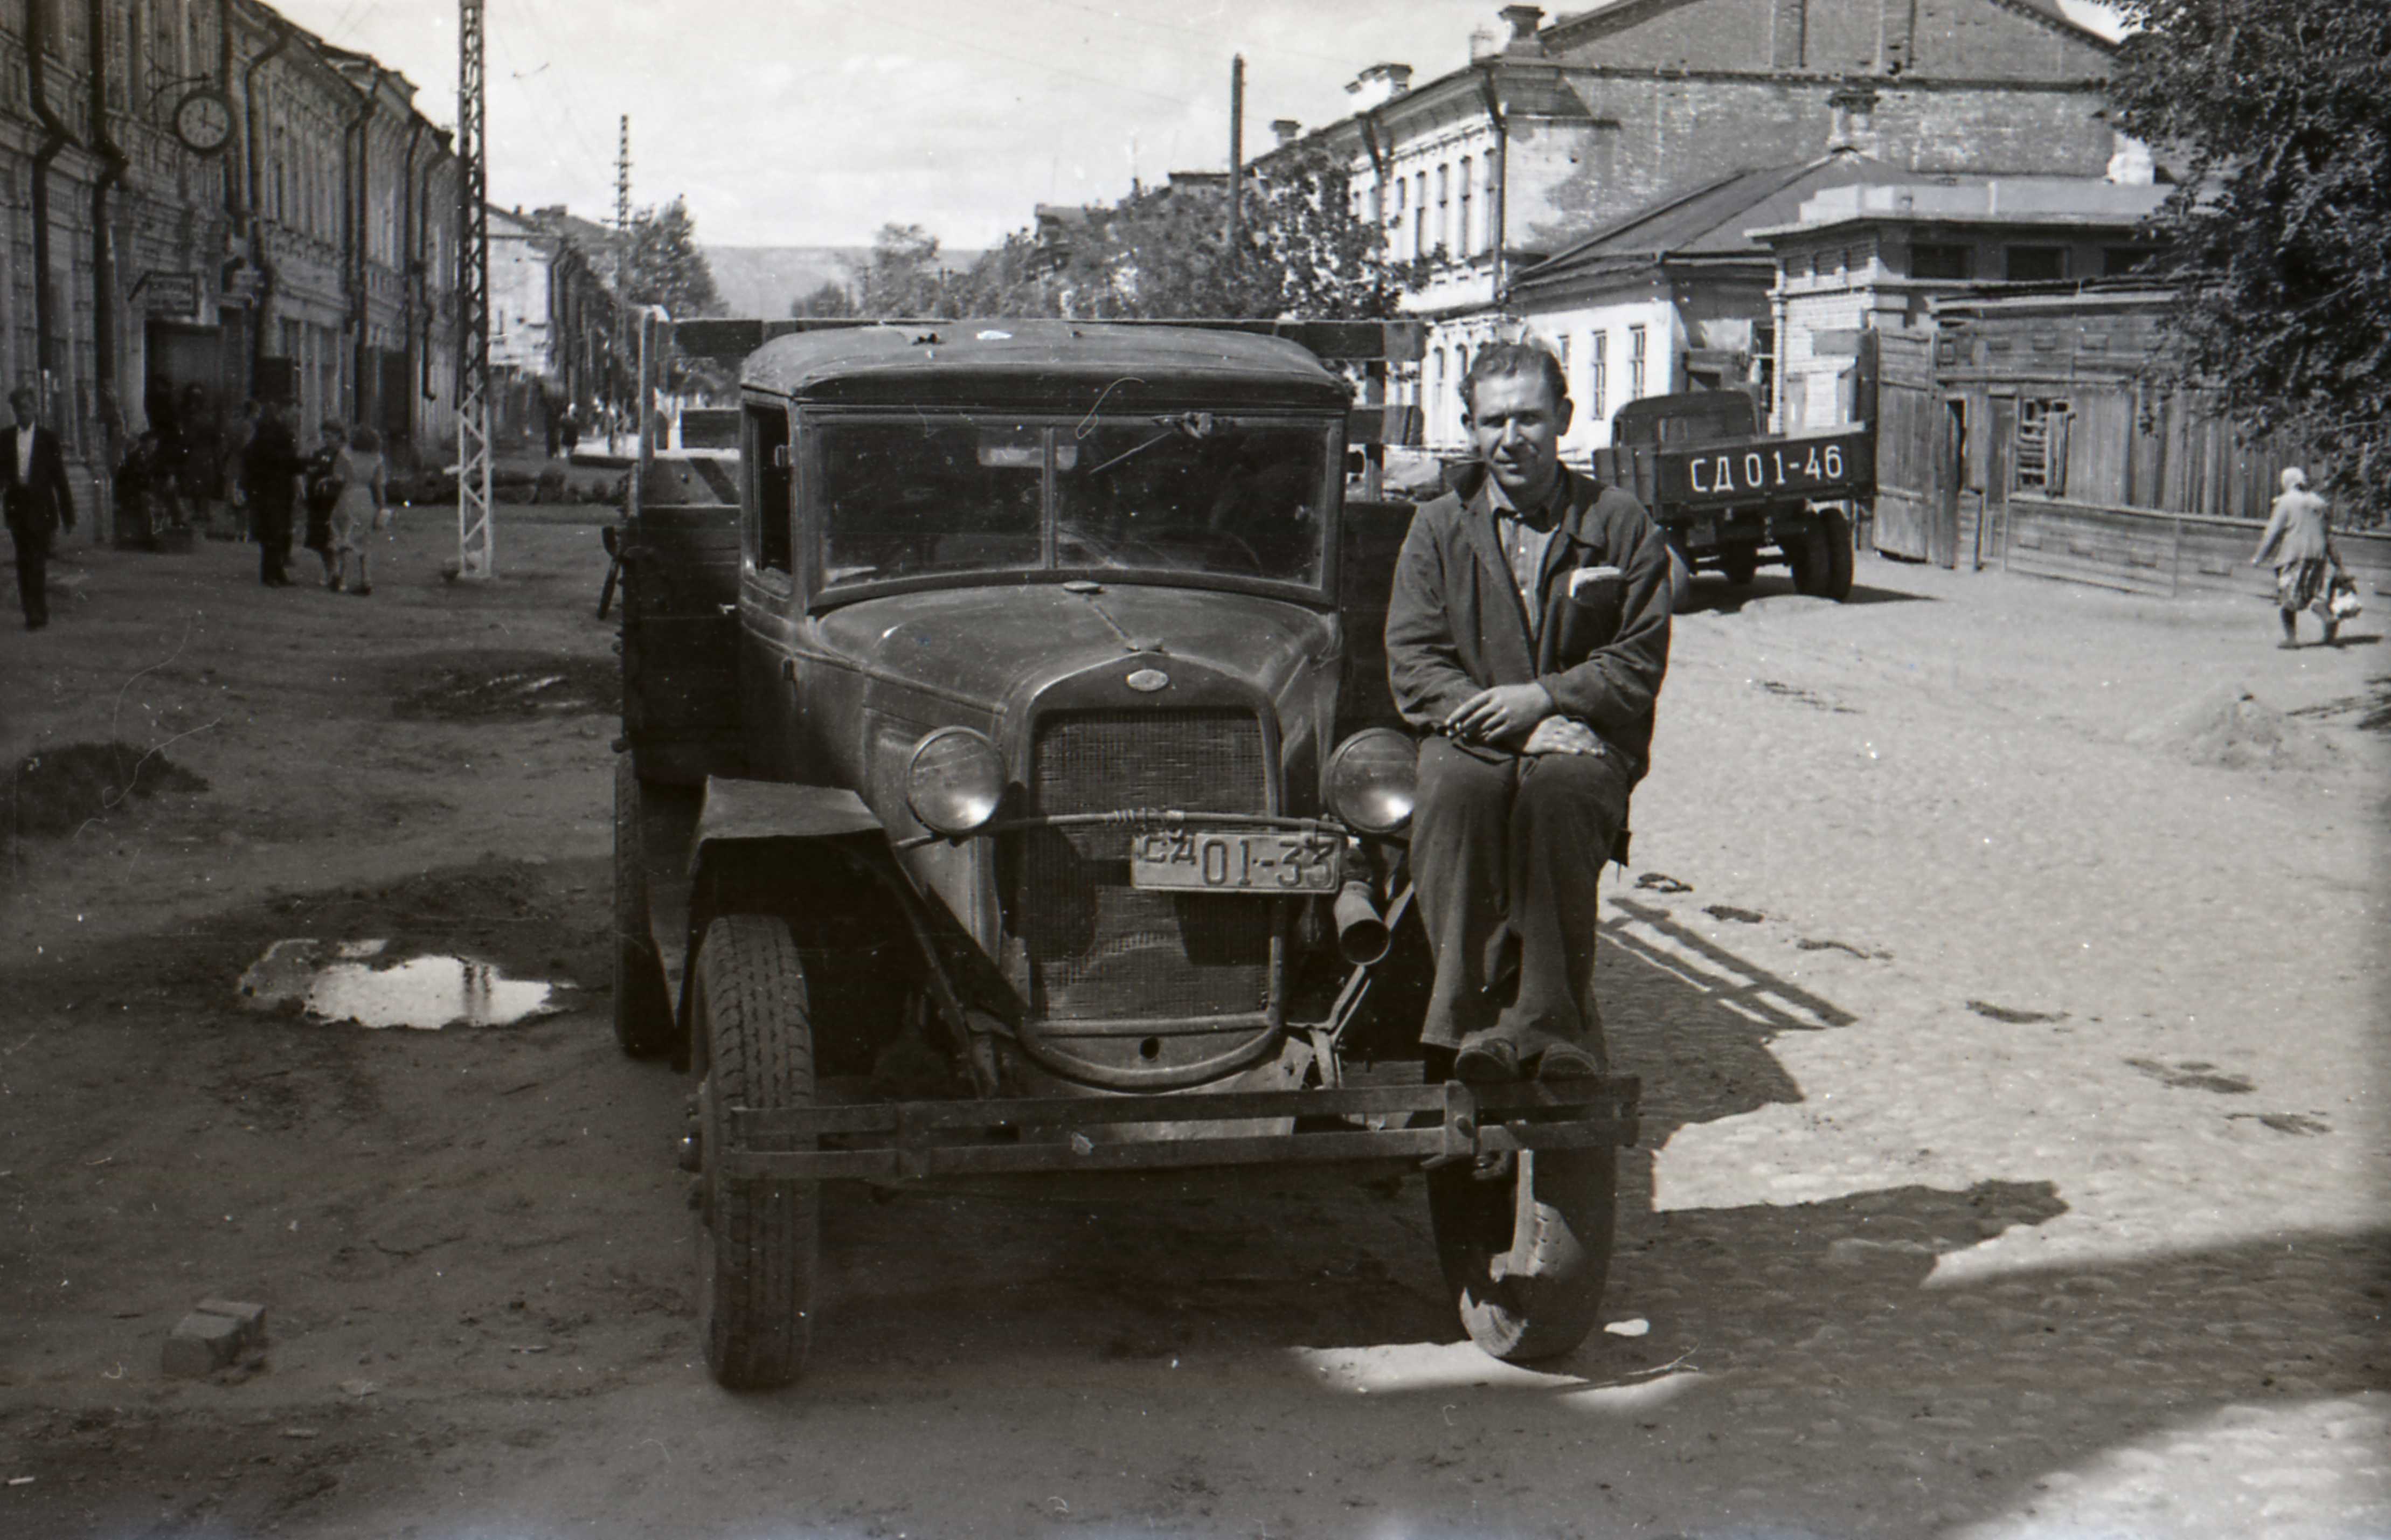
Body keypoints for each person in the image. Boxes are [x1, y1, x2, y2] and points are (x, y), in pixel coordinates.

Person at [1384, 341, 1673, 1083]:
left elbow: (1636, 659)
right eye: (1493, 421)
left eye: (1530, 418)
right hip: (1471, 737)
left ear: (1564, 419)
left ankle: (1550, 1028)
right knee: (1453, 794)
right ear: (1470, 429)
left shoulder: (1619, 522)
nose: (1512, 439)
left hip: (1581, 739)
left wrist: (1548, 698)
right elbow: (1414, 662)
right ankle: (1468, 1030)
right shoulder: (1437, 528)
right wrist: (1513, 721)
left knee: (1560, 793)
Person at [3, 385, 78, 629]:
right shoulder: (4, 438)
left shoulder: (48, 439)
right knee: (23, 561)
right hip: (17, 506)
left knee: (37, 560)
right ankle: (30, 611)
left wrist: (68, 515)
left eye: (26, 408)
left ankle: (38, 611)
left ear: (35, 408)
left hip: (41, 508)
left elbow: (59, 478)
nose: (22, 414)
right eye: (18, 410)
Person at [2251, 466, 2344, 649]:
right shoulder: (2319, 502)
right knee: (2314, 594)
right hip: (2318, 554)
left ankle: (2291, 639)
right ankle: (2329, 620)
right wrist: (2337, 562)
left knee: (2287, 594)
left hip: (2294, 554)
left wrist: (2260, 556)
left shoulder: (2286, 502)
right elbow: (2328, 536)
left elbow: (2273, 532)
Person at [242, 399, 301, 586]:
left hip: (275, 488)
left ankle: (276, 572)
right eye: (294, 412)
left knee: (277, 532)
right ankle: (270, 574)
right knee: (274, 532)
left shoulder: (272, 434)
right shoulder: (273, 434)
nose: (296, 417)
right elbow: (280, 460)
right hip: (272, 489)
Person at [328, 424, 388, 595]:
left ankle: (339, 576)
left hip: (348, 495)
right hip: (366, 498)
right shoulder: (377, 458)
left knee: (342, 535)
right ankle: (366, 579)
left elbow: (337, 477)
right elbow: (379, 485)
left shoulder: (345, 454)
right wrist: (382, 506)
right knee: (364, 540)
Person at [301, 419, 345, 585]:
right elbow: (312, 470)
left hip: (336, 501)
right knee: (320, 539)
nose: (327, 440)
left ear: (339, 436)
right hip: (320, 501)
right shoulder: (321, 453)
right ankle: (328, 570)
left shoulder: (345, 455)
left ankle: (337, 572)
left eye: (330, 436)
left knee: (334, 538)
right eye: (325, 436)